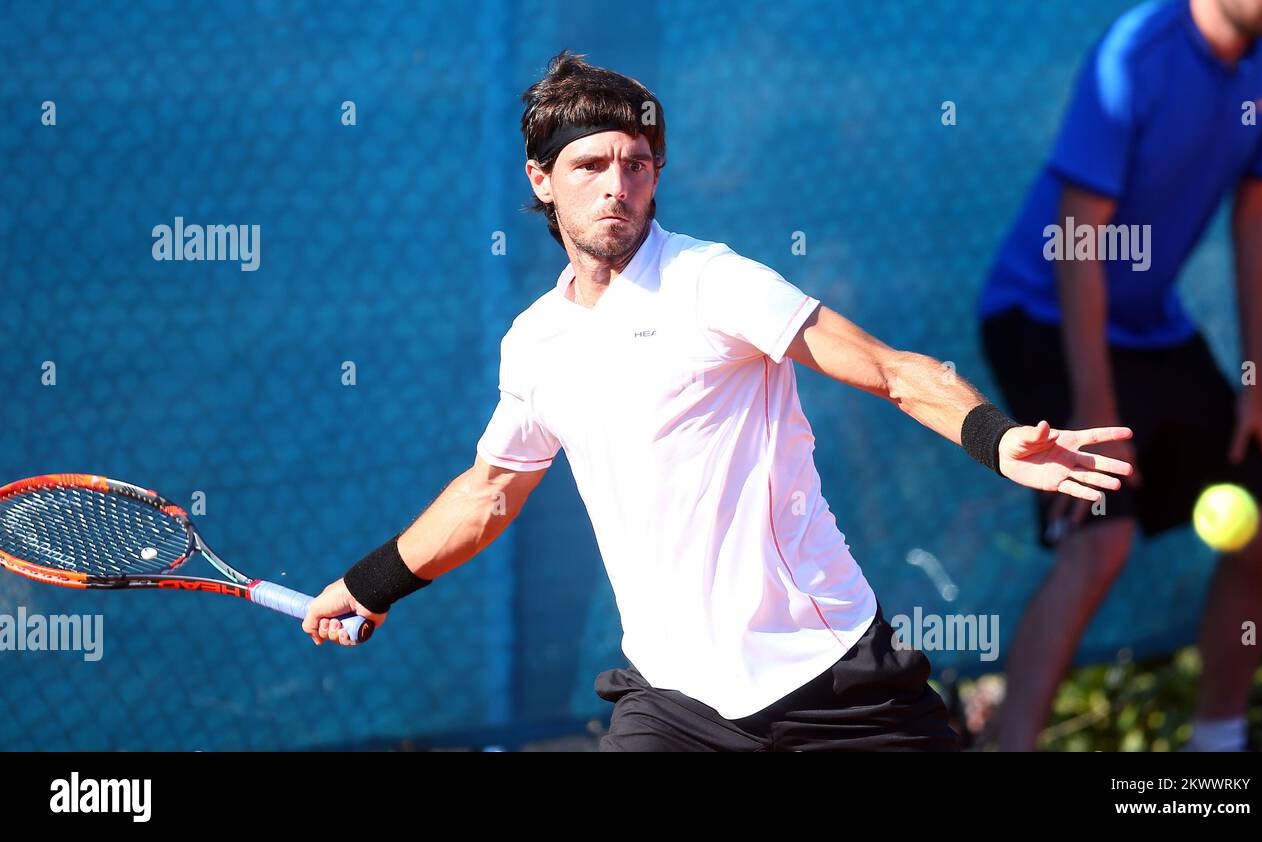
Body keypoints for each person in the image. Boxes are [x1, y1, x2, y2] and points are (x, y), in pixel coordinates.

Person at [304, 51, 1133, 752]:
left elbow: (889, 370)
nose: (617, 185)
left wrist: (996, 439)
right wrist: (372, 581)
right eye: (590, 165)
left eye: (636, 162)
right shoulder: (535, 343)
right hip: (676, 704)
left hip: (833, 678)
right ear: (542, 180)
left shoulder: (715, 284)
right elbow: (490, 492)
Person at [978, 0, 1262, 751]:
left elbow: (1255, 217)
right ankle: (1010, 744)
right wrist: (1101, 417)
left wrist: (1252, 388)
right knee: (1101, 540)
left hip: (1152, 327)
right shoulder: (1134, 55)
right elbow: (1077, 240)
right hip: (1042, 315)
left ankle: (1217, 748)